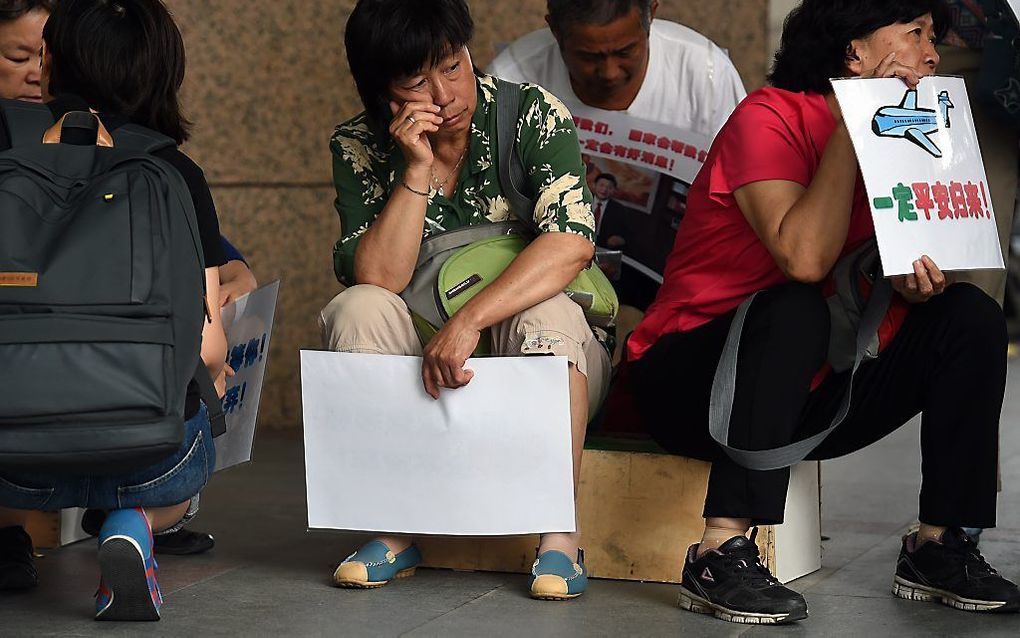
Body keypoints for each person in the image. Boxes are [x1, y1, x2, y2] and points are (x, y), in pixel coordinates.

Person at [627, 0, 1020, 624]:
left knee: (969, 315)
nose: (932, 54)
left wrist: (915, 286)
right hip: (693, 382)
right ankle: (719, 551)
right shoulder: (768, 117)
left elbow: (883, 272)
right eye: (914, 33)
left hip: (809, 383)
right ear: (854, 53)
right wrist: (852, 127)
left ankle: (938, 544)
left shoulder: (908, 131)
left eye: (932, 38)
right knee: (794, 308)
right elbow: (804, 259)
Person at [322, 0, 609, 600]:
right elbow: (376, 275)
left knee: (550, 312)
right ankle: (394, 531)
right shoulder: (358, 143)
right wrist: (416, 168)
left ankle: (559, 539)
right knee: (358, 309)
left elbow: (570, 244)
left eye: (453, 67)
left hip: (538, 344)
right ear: (381, 92)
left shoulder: (531, 113)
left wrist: (471, 320)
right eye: (415, 82)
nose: (446, 93)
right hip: (425, 349)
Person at [0, 0, 229, 621]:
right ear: (163, 71)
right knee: (201, 412)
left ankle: (8, 535)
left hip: (16, 461)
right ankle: (135, 522)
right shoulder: (173, 172)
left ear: (52, 66)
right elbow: (207, 347)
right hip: (149, 452)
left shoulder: (8, 160)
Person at [488, 0, 746, 139]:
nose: (610, 73)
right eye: (589, 57)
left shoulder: (706, 73)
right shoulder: (511, 80)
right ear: (555, 30)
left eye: (625, 52)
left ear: (651, 16)